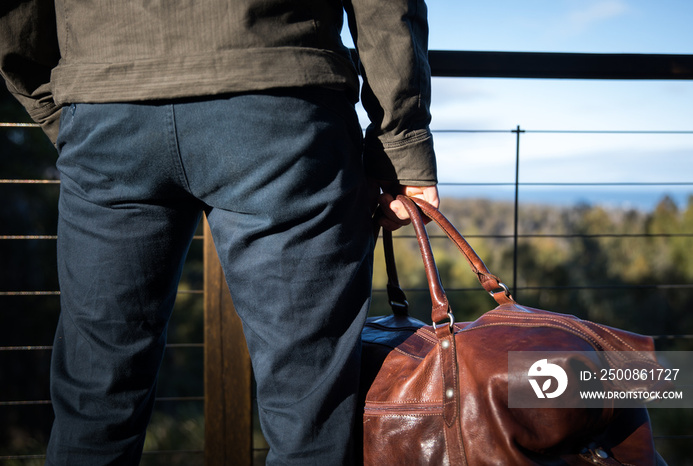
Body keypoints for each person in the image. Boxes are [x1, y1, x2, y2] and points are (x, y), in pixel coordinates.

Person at [0, 0, 438, 464]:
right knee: (308, 410)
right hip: (278, 97)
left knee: (96, 398)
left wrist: (60, 107)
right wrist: (401, 142)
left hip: (106, 109)